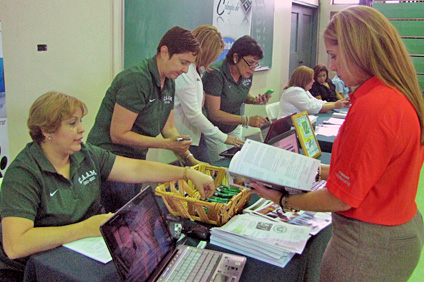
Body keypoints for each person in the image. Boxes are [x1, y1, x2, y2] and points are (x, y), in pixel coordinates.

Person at [251, 6, 424, 282]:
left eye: (334, 56)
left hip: (368, 246)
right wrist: (315, 170)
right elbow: (368, 175)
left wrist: (284, 200)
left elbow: (341, 197)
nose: (331, 67)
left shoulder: (375, 107)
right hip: (395, 232)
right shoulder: (393, 95)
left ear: (360, 50)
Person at [0, 92, 215, 281]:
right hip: (39, 266)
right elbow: (16, 245)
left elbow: (135, 169)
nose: (82, 129)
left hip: (83, 249)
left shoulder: (85, 154)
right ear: (47, 131)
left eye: (80, 121)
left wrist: (186, 172)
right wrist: (84, 229)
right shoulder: (24, 174)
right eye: (72, 123)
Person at [87, 26, 202, 212]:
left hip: (136, 162)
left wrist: (190, 158)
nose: (185, 70)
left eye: (189, 64)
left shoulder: (169, 81)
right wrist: (167, 145)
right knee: (119, 219)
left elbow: (168, 128)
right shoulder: (136, 79)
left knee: (132, 212)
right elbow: (118, 134)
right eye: (183, 62)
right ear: (164, 52)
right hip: (111, 163)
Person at [174, 25, 244, 163]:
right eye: (211, 57)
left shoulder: (195, 70)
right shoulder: (186, 72)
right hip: (188, 136)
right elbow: (194, 115)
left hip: (195, 134)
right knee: (203, 172)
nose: (212, 61)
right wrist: (224, 137)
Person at [202, 35, 271, 162]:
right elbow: (214, 113)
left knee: (237, 161)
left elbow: (241, 94)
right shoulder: (215, 74)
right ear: (235, 57)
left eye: (256, 64)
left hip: (234, 125)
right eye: (250, 63)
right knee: (221, 164)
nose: (253, 68)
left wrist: (255, 101)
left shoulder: (247, 72)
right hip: (215, 128)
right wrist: (246, 120)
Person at [278, 66, 349, 118]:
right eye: (311, 79)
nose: (313, 81)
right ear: (304, 80)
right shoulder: (295, 91)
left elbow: (316, 102)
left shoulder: (303, 91)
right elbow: (312, 107)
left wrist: (337, 103)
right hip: (289, 129)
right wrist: (335, 105)